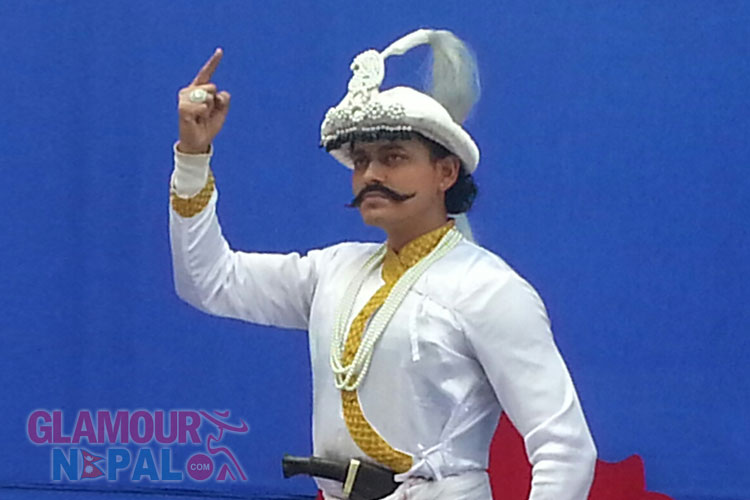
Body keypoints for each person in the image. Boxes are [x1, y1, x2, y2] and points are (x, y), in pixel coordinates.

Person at [169, 29, 597, 500]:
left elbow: (564, 448)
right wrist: (193, 158)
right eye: (361, 161)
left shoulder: (489, 289)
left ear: (446, 172)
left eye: (393, 158)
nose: (371, 174)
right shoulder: (333, 271)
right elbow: (210, 281)